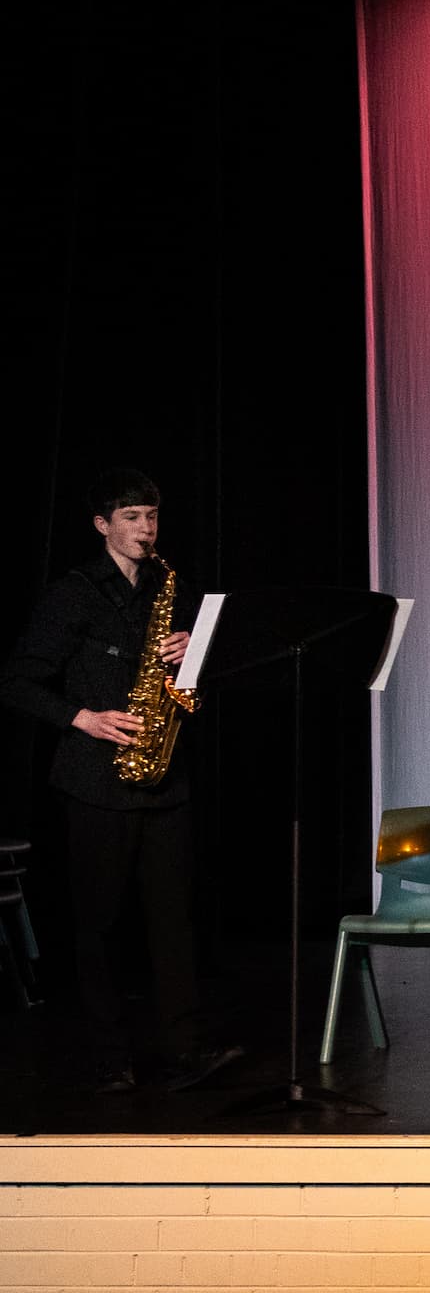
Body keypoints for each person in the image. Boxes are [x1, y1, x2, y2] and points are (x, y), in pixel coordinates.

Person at [0, 468, 240, 1093]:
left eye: (152, 517)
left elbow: (197, 691)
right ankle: (107, 1058)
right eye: (131, 517)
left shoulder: (173, 591)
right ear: (103, 525)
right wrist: (84, 718)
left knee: (173, 919)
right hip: (94, 778)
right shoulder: (74, 594)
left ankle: (184, 1051)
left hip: (164, 777)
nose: (145, 528)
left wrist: (194, 660)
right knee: (98, 923)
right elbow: (18, 682)